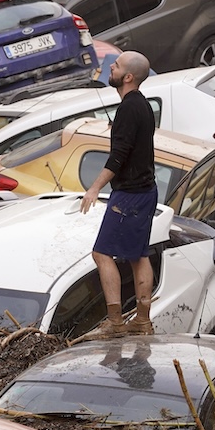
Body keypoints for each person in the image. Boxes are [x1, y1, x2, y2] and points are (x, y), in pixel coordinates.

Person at [81, 51, 157, 337]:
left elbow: (118, 157)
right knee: (138, 254)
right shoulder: (143, 106)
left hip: (129, 194)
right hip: (146, 190)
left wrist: (94, 188)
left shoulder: (128, 109)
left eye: (116, 65)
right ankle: (142, 320)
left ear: (127, 77)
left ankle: (115, 324)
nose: (109, 67)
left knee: (101, 253)